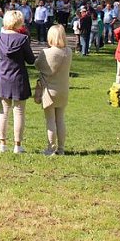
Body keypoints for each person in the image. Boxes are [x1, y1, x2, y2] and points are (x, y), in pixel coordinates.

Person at [0, 10, 37, 154]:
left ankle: (2, 144)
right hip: (18, 78)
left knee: (3, 112)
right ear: (19, 22)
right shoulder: (23, 39)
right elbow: (30, 60)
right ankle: (17, 145)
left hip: (2, 77)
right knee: (19, 112)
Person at [34, 24, 72, 156]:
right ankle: (61, 148)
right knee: (60, 119)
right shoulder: (68, 51)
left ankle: (51, 148)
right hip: (63, 89)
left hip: (49, 90)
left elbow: (37, 65)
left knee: (50, 120)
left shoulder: (47, 52)